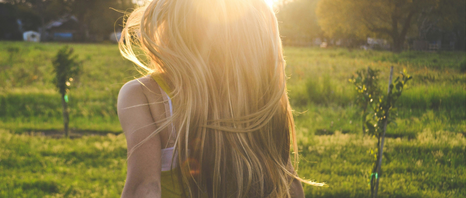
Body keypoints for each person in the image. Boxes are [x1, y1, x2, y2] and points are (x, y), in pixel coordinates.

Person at [117, 0, 323, 197]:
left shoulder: (144, 94)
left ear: (173, 26)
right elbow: (288, 183)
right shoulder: (259, 97)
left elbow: (144, 187)